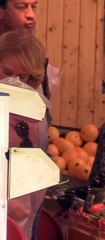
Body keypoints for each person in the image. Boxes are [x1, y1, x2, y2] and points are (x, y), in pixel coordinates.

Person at [0, 29, 47, 240]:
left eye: (23, 76)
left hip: (28, 212)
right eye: (7, 72)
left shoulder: (35, 102)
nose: (14, 81)